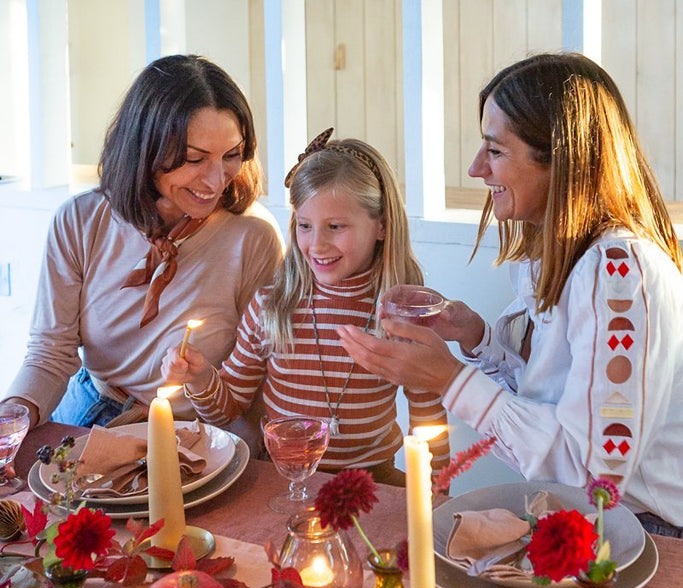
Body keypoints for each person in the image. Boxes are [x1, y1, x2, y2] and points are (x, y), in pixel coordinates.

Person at [337, 53, 683, 535]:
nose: (476, 168)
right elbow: (550, 403)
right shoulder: (557, 255)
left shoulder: (620, 272)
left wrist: (449, 379)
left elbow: (595, 479)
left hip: (645, 534)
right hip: (579, 517)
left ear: (560, 160)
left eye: (495, 150)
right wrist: (476, 338)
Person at [1, 54, 284, 433]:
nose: (216, 180)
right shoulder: (81, 220)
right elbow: (50, 354)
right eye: (194, 159)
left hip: (197, 432)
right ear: (144, 148)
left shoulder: (253, 235)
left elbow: (261, 374)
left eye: (231, 155)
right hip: (90, 412)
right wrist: (14, 414)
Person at [161, 129, 450, 485]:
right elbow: (228, 410)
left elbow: (428, 417)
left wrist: (437, 490)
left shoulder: (405, 317)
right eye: (305, 226)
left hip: (371, 482)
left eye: (335, 226)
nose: (317, 244)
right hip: (279, 478)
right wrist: (200, 378)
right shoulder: (271, 306)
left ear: (382, 227)